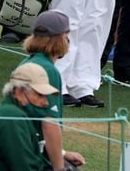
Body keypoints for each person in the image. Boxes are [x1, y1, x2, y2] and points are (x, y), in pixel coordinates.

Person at [20, 10, 85, 170]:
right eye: (66, 35)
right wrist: (59, 166)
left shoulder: (27, 62)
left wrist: (62, 153)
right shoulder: (49, 71)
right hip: (28, 156)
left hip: (24, 147)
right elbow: (49, 125)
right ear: (61, 39)